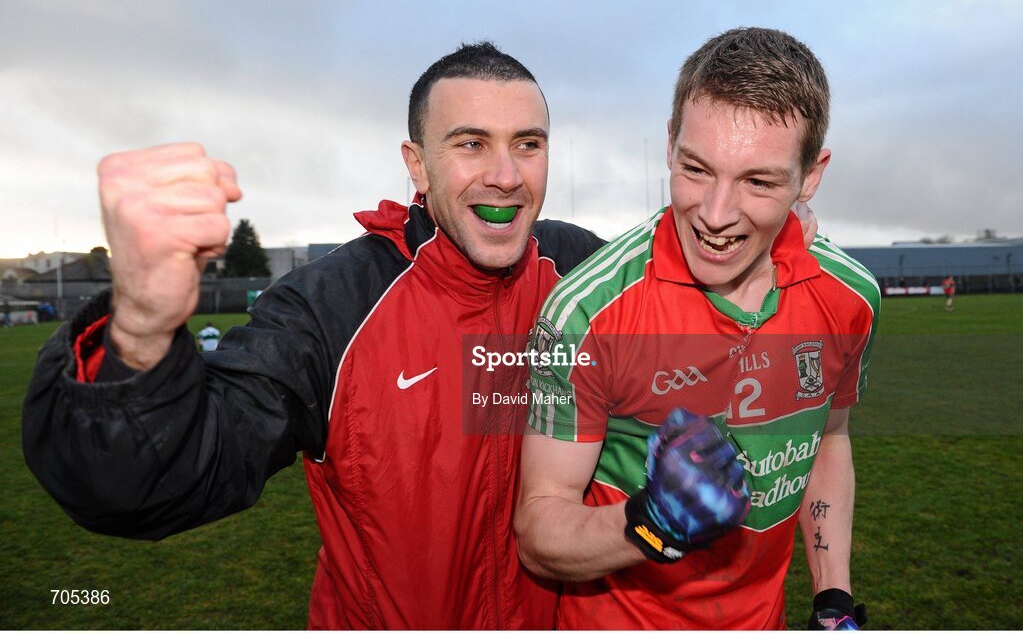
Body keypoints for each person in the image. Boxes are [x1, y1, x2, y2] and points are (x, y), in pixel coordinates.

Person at [22, 40, 818, 629]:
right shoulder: (333, 308)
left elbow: (714, 274)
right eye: (469, 143)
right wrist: (139, 326)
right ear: (418, 163)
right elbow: (150, 486)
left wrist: (776, 227)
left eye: (527, 145)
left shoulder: (582, 271)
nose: (504, 174)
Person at [514, 28, 879, 630]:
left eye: (758, 181)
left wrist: (832, 598)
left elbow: (829, 440)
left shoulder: (850, 297)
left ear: (811, 176)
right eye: (696, 168)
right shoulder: (587, 312)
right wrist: (652, 523)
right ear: (669, 145)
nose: (714, 214)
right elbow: (538, 526)